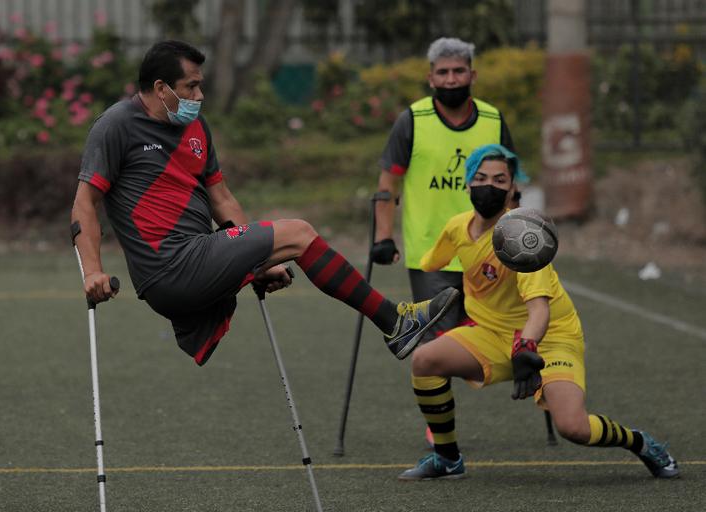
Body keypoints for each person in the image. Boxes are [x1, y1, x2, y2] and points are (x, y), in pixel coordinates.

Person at [72, 40, 460, 367]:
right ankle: (395, 321)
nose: (199, 96)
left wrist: (259, 261)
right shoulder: (116, 125)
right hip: (167, 268)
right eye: (190, 87)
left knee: (291, 239)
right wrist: (92, 272)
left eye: (200, 86)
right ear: (160, 88)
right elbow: (84, 205)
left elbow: (222, 199)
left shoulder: (196, 126)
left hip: (200, 254)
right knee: (299, 233)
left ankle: (396, 322)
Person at [397, 143, 679, 480]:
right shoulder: (458, 227)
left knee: (574, 427)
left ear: (513, 187)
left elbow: (539, 310)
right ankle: (447, 459)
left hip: (548, 338)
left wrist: (527, 346)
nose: (489, 185)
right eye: (481, 177)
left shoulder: (522, 238)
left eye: (500, 180)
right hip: (489, 334)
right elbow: (431, 262)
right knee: (425, 361)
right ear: (468, 183)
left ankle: (640, 443)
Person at [372, 38, 516, 337]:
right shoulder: (412, 120)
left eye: (459, 71)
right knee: (436, 345)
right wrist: (383, 237)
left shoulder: (493, 119)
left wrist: (512, 235)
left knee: (493, 342)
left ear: (472, 76)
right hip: (431, 255)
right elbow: (388, 183)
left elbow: (511, 187)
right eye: (443, 72)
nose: (451, 79)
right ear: (431, 78)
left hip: (485, 252)